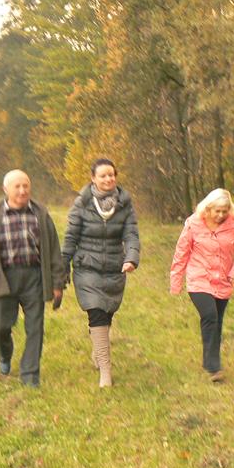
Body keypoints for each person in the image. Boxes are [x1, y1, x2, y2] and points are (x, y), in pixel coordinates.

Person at [0, 169, 65, 388]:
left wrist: (58, 282)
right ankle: (4, 355)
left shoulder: (41, 214)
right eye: (17, 187)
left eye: (26, 186)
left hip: (34, 277)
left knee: (35, 328)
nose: (22, 191)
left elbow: (53, 250)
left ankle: (30, 374)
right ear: (6, 189)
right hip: (5, 277)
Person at [62, 158, 140, 388]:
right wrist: (63, 263)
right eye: (103, 175)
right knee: (96, 312)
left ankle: (98, 349)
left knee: (107, 314)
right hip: (87, 267)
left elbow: (131, 235)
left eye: (111, 175)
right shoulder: (82, 204)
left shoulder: (124, 204)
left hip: (114, 267)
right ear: (93, 178)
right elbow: (71, 236)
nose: (108, 179)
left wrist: (131, 258)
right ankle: (106, 371)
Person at [169, 189, 234, 382]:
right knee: (210, 316)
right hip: (199, 279)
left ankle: (209, 361)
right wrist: (176, 282)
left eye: (224, 211)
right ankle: (214, 367)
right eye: (217, 211)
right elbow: (181, 253)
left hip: (223, 281)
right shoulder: (193, 224)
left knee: (217, 322)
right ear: (208, 208)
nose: (221, 215)